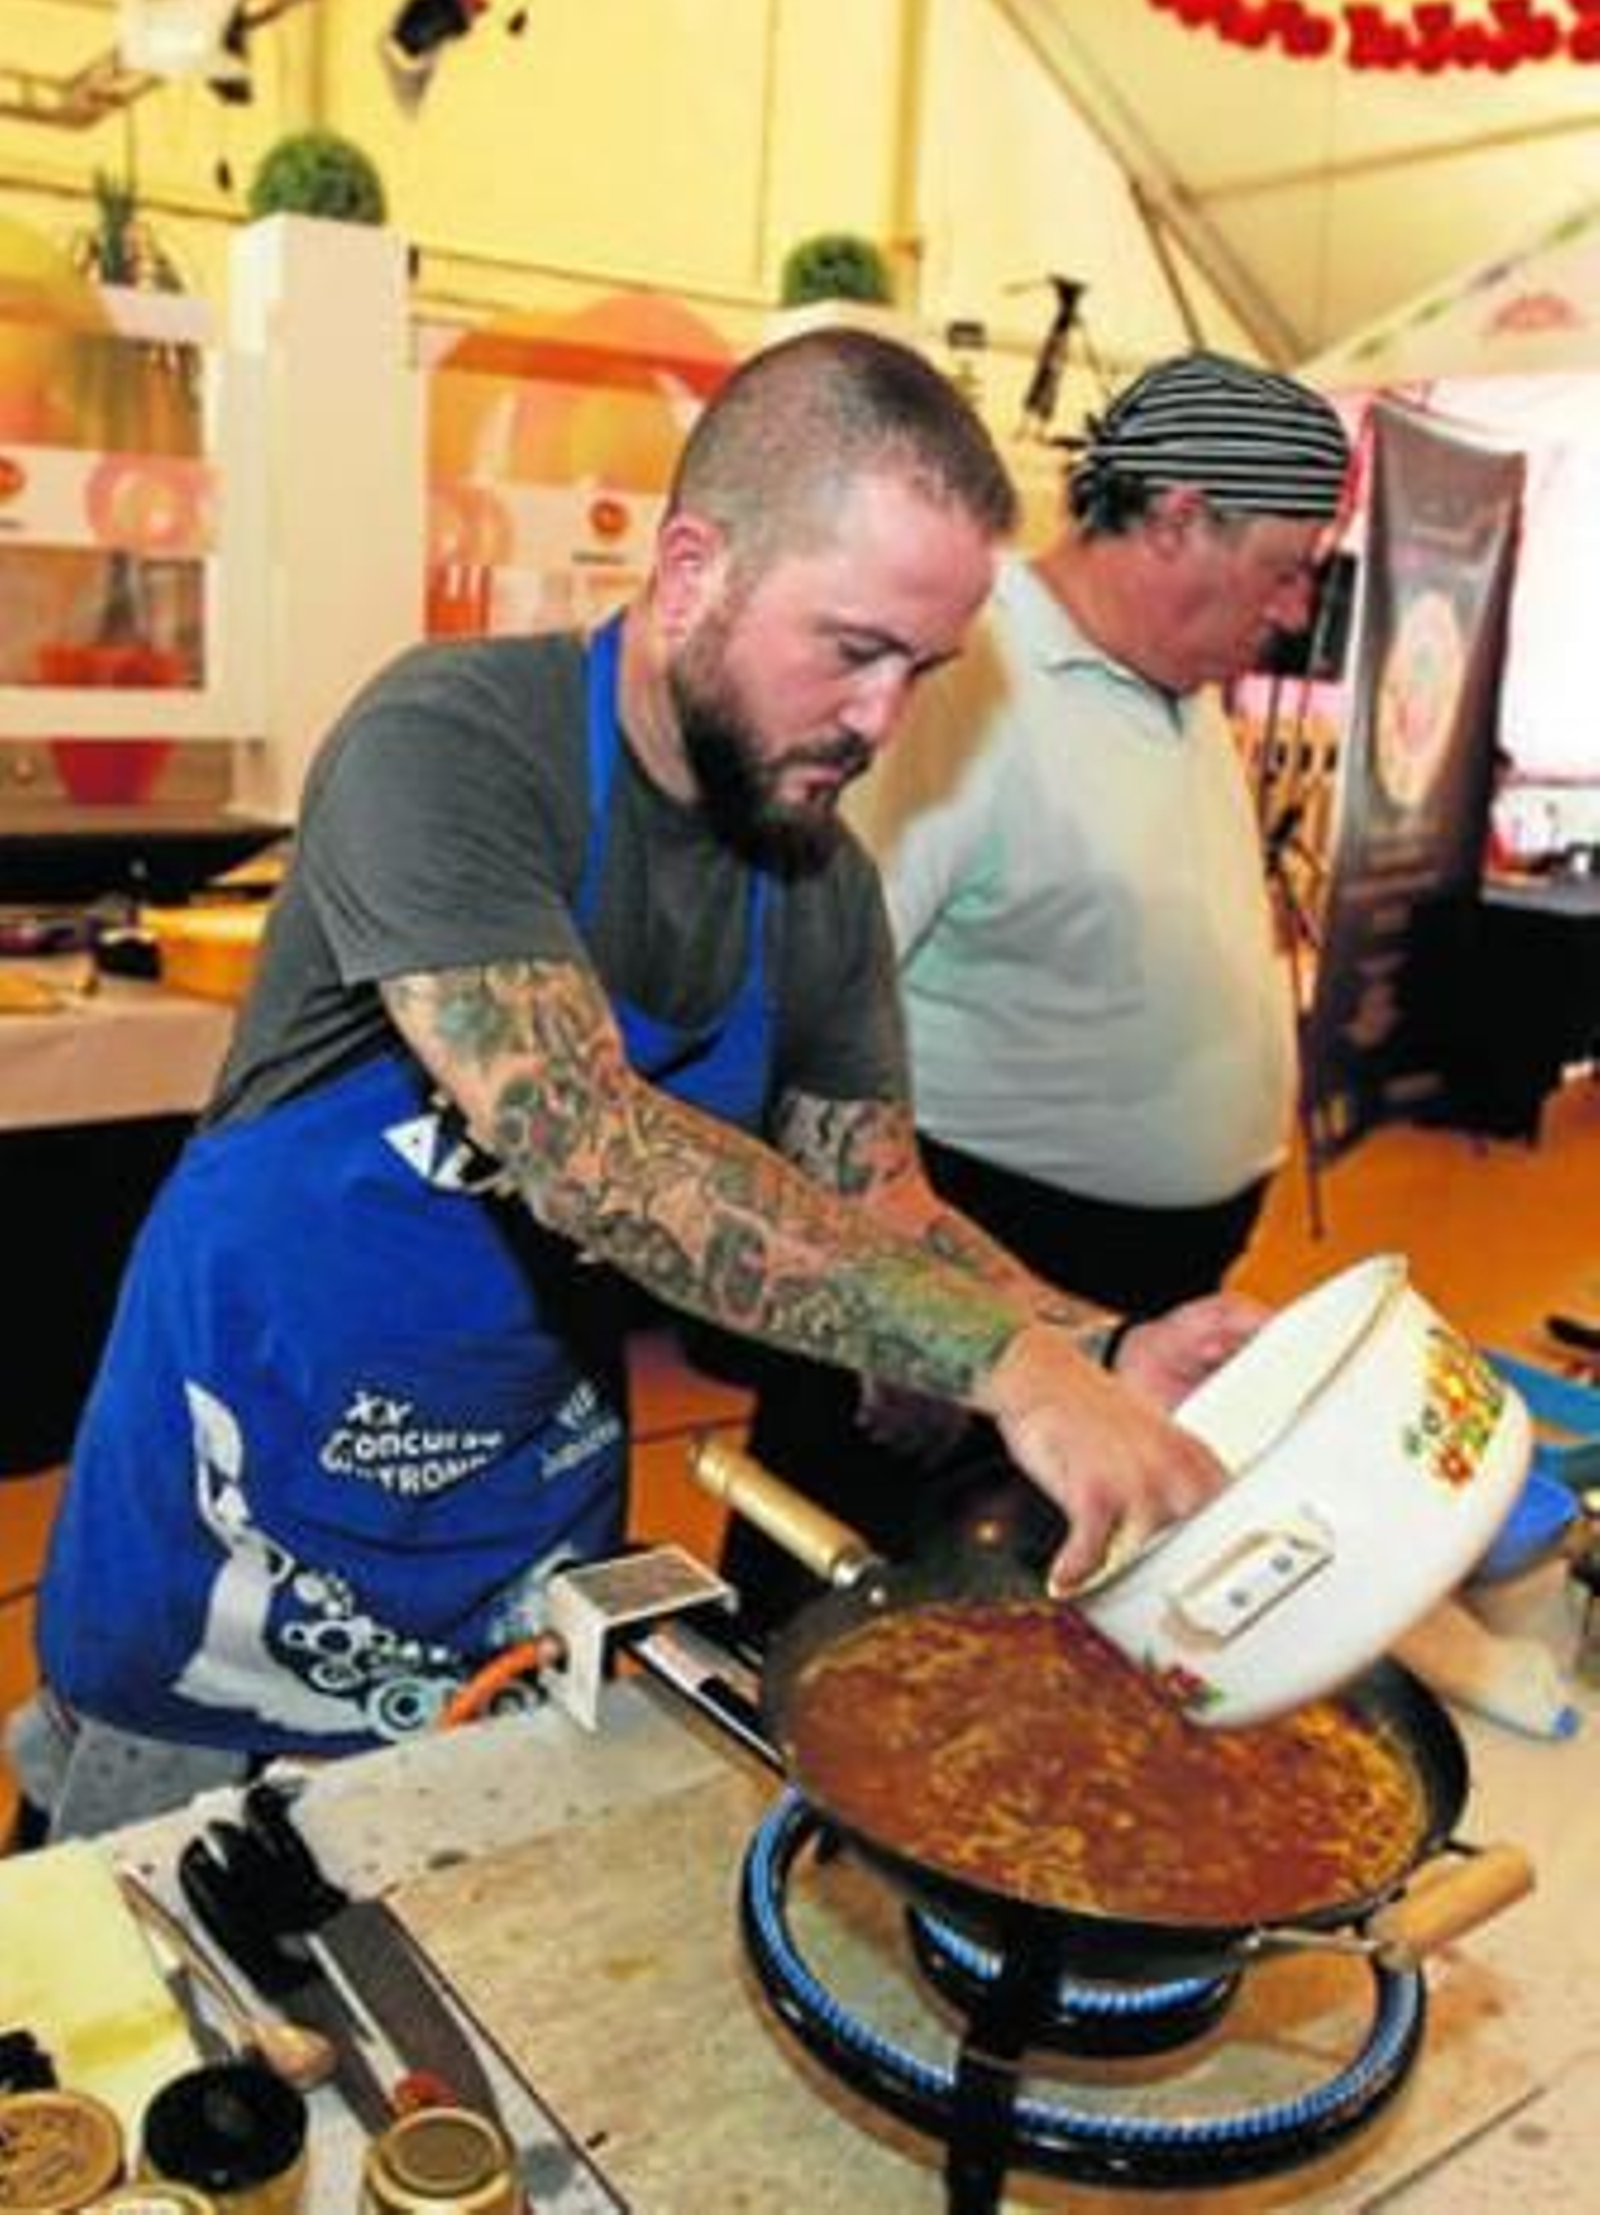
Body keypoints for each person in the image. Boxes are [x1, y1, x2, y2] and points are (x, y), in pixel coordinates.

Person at [9, 328, 1259, 1840]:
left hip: (523, 1548)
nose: (883, 721)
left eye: (923, 670)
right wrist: (1012, 1369)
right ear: (688, 574)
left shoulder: (820, 891)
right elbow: (582, 1143)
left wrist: (1096, 1340)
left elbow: (879, 1206)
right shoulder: (453, 743)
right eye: (852, 647)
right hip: (239, 1544)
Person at [723, 349, 1350, 1630]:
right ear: (1176, 517)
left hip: (1140, 1286)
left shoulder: (1173, 682)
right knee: (849, 1625)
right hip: (961, 1241)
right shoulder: (962, 678)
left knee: (1045, 1626)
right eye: (1286, 565)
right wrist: (890, 1320)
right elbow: (804, 1025)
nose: (1295, 609)